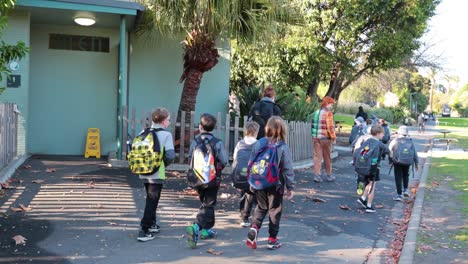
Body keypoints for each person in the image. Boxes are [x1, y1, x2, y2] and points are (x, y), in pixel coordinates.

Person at [246, 116, 295, 250]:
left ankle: (254, 227)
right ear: (282, 130)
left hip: (259, 182)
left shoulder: (259, 142)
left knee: (261, 207)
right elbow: (287, 168)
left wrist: (251, 180)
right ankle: (272, 239)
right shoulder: (283, 147)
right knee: (275, 210)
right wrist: (290, 187)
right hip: (275, 183)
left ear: (267, 128)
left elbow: (251, 162)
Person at [186, 113, 228, 249]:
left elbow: (189, 157)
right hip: (212, 178)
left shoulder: (195, 142)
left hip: (197, 177)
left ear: (200, 126)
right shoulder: (217, 142)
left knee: (205, 202)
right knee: (209, 204)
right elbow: (224, 160)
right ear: (214, 128)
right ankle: (196, 226)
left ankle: (207, 230)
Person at [137, 108, 176, 242]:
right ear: (164, 121)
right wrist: (162, 165)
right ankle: (144, 229)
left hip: (143, 171)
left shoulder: (143, 132)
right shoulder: (166, 135)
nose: (169, 122)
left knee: (150, 198)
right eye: (169, 119)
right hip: (157, 172)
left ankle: (152, 224)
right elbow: (170, 155)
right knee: (152, 201)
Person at [231, 121, 260, 227]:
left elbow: (235, 158)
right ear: (256, 131)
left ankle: (243, 215)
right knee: (251, 194)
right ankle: (249, 216)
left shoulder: (240, 143)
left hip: (240, 174)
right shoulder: (258, 144)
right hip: (253, 175)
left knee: (243, 193)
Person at [356, 125, 389, 213]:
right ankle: (369, 206)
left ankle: (363, 198)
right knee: (372, 186)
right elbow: (388, 150)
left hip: (364, 165)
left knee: (369, 183)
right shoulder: (380, 144)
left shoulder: (367, 141)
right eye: (382, 134)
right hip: (374, 167)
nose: (383, 136)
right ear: (378, 134)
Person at [388, 126, 419, 201]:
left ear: (399, 132)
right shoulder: (410, 141)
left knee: (398, 177)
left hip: (397, 162)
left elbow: (389, 150)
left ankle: (399, 194)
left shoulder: (395, 140)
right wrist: (416, 163)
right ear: (407, 133)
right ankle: (405, 190)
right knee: (406, 175)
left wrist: (390, 160)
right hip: (407, 162)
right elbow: (414, 153)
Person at [311, 96, 337, 182]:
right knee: (327, 157)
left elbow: (313, 126)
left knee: (317, 157)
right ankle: (329, 175)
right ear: (326, 103)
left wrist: (314, 137)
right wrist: (333, 137)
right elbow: (330, 127)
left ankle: (317, 175)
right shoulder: (328, 113)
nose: (331, 106)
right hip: (326, 139)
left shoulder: (316, 112)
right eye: (331, 104)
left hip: (317, 138)